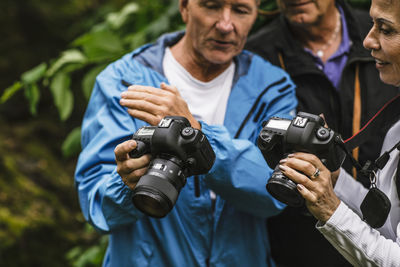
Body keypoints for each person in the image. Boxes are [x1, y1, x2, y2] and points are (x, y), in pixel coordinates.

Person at [74, 0, 297, 266]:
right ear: (184, 8)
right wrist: (125, 183)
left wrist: (197, 135)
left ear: (255, 14)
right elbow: (97, 208)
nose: (226, 25)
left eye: (240, 10)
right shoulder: (123, 82)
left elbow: (273, 195)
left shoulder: (272, 87)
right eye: (212, 6)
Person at [245, 0, 400, 266]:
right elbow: (388, 225)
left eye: (385, 29)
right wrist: (334, 177)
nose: (368, 41)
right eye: (374, 26)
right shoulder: (395, 130)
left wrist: (330, 210)